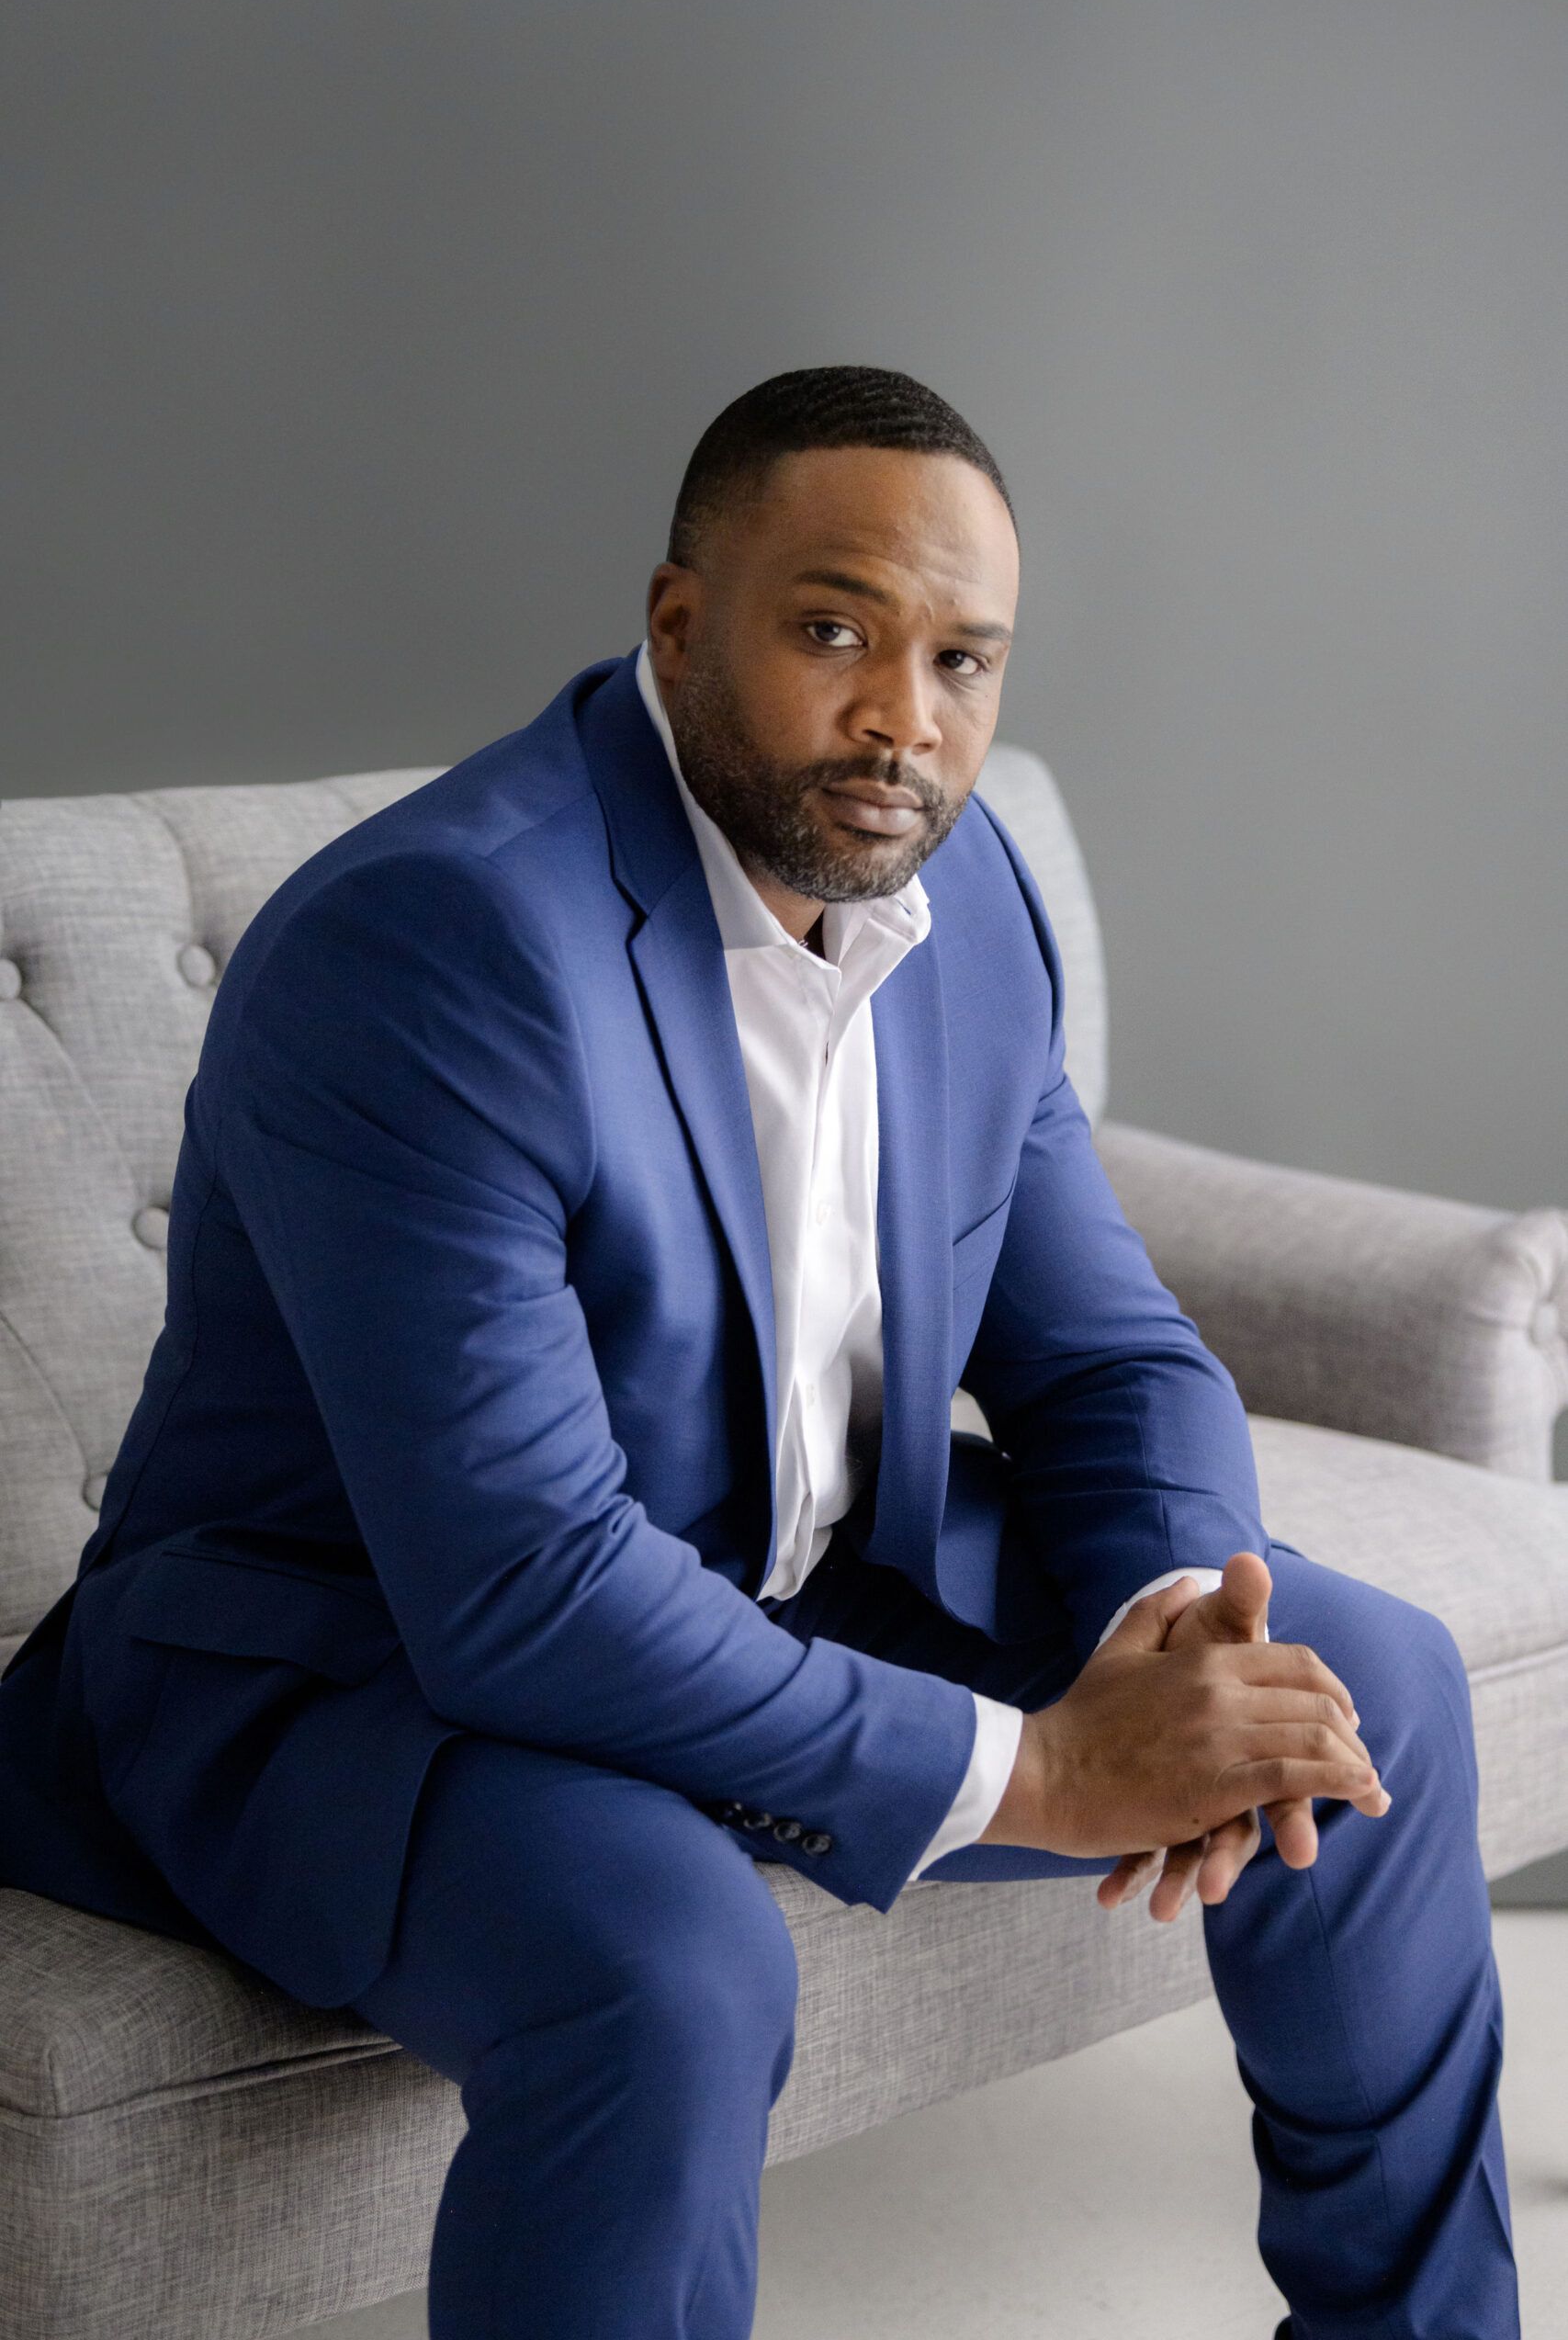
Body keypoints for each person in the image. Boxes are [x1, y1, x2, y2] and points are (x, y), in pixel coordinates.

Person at [0, 367, 1516, 2339]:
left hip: (775, 1564)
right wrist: (1040, 1766)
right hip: (348, 1665)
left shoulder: (950, 888)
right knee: (668, 1958)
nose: (906, 717)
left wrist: (1170, 1629)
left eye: (963, 658)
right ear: (676, 621)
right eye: (834, 630)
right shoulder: (436, 945)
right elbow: (520, 1585)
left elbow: (1106, 1350)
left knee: (1353, 1688)